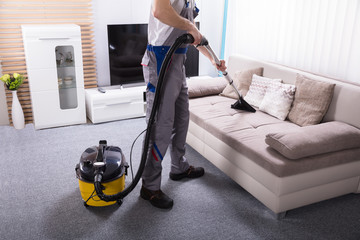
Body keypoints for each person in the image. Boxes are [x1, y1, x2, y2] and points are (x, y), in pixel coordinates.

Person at [140, 0, 227, 209]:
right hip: (160, 59)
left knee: (181, 120)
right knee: (161, 125)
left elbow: (194, 35)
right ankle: (149, 186)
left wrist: (213, 59)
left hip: (178, 61)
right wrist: (190, 27)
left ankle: (179, 166)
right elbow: (160, 11)